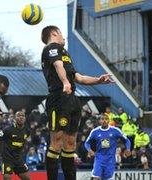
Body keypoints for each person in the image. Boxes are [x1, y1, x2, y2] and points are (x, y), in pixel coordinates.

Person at [40, 25, 115, 180]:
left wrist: (98, 80)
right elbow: (57, 65)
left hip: (72, 99)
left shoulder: (64, 52)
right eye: (61, 33)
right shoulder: (51, 47)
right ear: (54, 33)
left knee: (70, 145)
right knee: (57, 142)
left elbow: (79, 77)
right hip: (58, 98)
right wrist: (65, 82)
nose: (64, 37)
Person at [84, 114, 131, 180]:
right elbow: (87, 143)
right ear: (99, 121)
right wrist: (89, 150)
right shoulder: (95, 131)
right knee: (96, 177)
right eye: (102, 119)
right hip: (99, 157)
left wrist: (128, 149)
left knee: (107, 178)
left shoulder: (115, 130)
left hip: (110, 159)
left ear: (109, 120)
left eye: (106, 119)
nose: (104, 121)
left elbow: (127, 140)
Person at [0, 110, 31, 180]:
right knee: (7, 178)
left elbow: (26, 141)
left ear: (25, 118)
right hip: (7, 159)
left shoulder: (27, 131)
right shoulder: (7, 130)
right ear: (15, 118)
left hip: (18, 158)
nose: (21, 117)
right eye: (19, 115)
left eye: (23, 116)